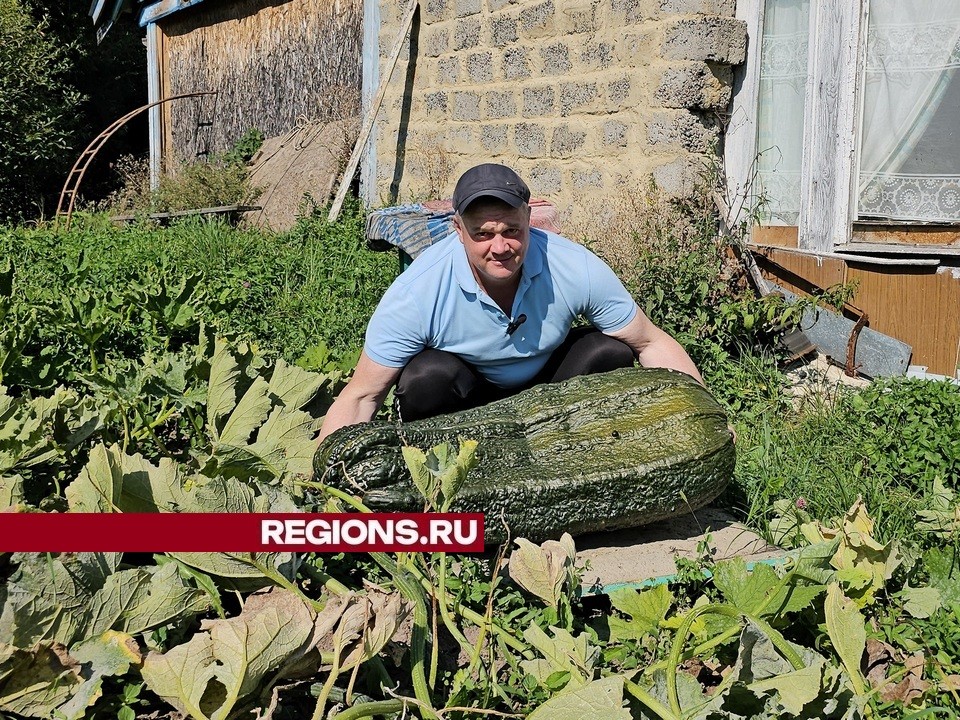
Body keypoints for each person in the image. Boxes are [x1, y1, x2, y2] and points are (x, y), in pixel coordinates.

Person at [317, 163, 704, 442]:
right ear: (458, 230)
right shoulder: (416, 293)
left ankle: (576, 452)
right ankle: (437, 464)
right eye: (482, 234)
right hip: (468, 395)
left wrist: (705, 415)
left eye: (511, 231)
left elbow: (651, 342)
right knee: (425, 378)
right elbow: (363, 395)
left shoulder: (573, 265)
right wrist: (323, 471)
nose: (499, 247)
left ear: (529, 219)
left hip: (550, 388)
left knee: (610, 350)